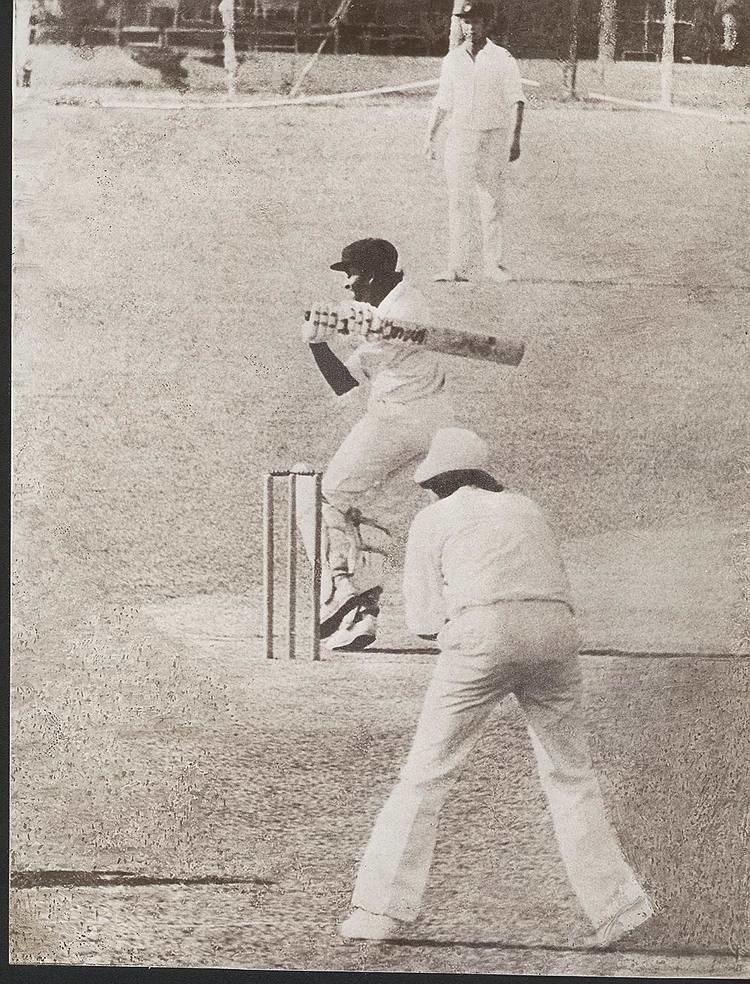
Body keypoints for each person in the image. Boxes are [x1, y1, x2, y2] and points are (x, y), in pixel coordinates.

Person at [340, 428, 655, 946]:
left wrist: (464, 635)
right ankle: (620, 909)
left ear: (439, 481)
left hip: (483, 633)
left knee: (426, 774)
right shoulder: (528, 508)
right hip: (557, 630)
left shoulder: (434, 517)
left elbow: (422, 618)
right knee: (571, 774)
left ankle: (379, 910)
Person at [298, 239, 455, 651]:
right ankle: (361, 619)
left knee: (322, 499)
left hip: (397, 420)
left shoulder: (402, 314)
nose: (347, 284)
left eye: (349, 274)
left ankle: (339, 590)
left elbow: (345, 385)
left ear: (368, 275)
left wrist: (317, 343)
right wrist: (332, 334)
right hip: (434, 427)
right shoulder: (404, 302)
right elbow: (350, 368)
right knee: (367, 518)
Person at [425, 1, 525, 284]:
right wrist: (429, 135)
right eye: (465, 22)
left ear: (486, 24)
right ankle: (456, 268)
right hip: (461, 136)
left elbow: (517, 100)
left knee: (491, 200)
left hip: (493, 136)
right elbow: (443, 102)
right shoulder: (453, 60)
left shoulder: (502, 57)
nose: (470, 27)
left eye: (476, 22)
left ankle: (493, 265)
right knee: (458, 201)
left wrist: (515, 140)